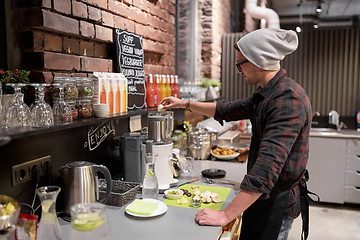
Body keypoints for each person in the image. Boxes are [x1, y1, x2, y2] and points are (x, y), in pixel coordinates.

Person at [160, 28, 312, 240]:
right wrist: (184, 103)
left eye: (240, 64)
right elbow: (227, 109)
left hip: (277, 201)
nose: (238, 70)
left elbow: (266, 169)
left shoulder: (287, 100)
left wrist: (225, 215)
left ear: (258, 61)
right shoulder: (267, 93)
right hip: (263, 197)